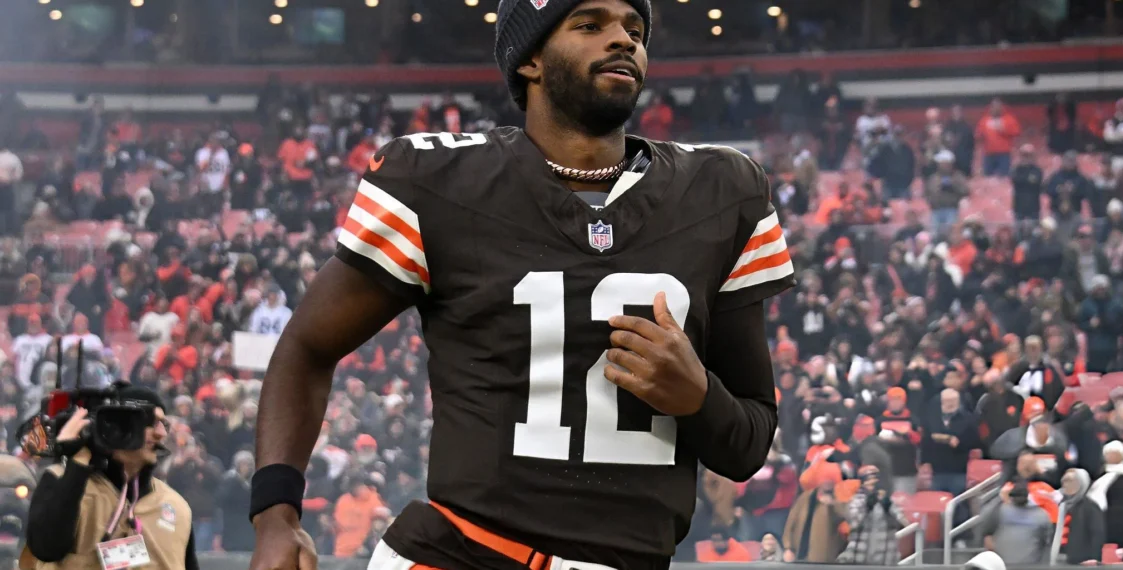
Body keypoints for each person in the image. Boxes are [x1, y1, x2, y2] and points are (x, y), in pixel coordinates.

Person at [248, 1, 792, 570]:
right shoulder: (439, 182)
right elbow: (307, 347)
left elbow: (749, 442)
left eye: (634, 30)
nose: (623, 41)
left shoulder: (723, 191)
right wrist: (275, 516)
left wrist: (698, 397)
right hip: (460, 553)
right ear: (529, 59)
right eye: (590, 25)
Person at [24, 385, 197, 570]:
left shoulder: (177, 508)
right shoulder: (61, 479)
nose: (161, 433)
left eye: (165, 424)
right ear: (118, 425)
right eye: (151, 422)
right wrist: (79, 462)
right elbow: (46, 548)